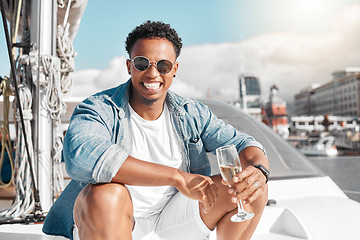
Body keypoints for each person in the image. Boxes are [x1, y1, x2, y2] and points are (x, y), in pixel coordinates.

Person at [43, 20, 269, 240]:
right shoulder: (99, 108)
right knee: (104, 195)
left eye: (163, 65)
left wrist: (259, 171)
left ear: (174, 70)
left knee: (252, 190)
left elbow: (242, 144)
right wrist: (177, 178)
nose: (153, 74)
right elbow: (82, 157)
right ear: (129, 66)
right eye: (142, 63)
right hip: (115, 221)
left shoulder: (191, 113)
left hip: (172, 221)